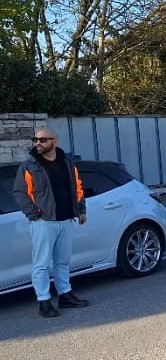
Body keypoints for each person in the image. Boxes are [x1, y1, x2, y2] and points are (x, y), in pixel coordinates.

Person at [13, 128, 89, 318]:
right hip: (43, 221)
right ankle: (44, 301)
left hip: (66, 218)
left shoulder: (67, 163)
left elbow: (77, 187)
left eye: (43, 140)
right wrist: (34, 214)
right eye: (35, 140)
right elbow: (20, 193)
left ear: (55, 141)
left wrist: (80, 210)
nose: (38, 143)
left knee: (62, 261)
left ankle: (65, 295)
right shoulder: (28, 166)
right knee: (42, 264)